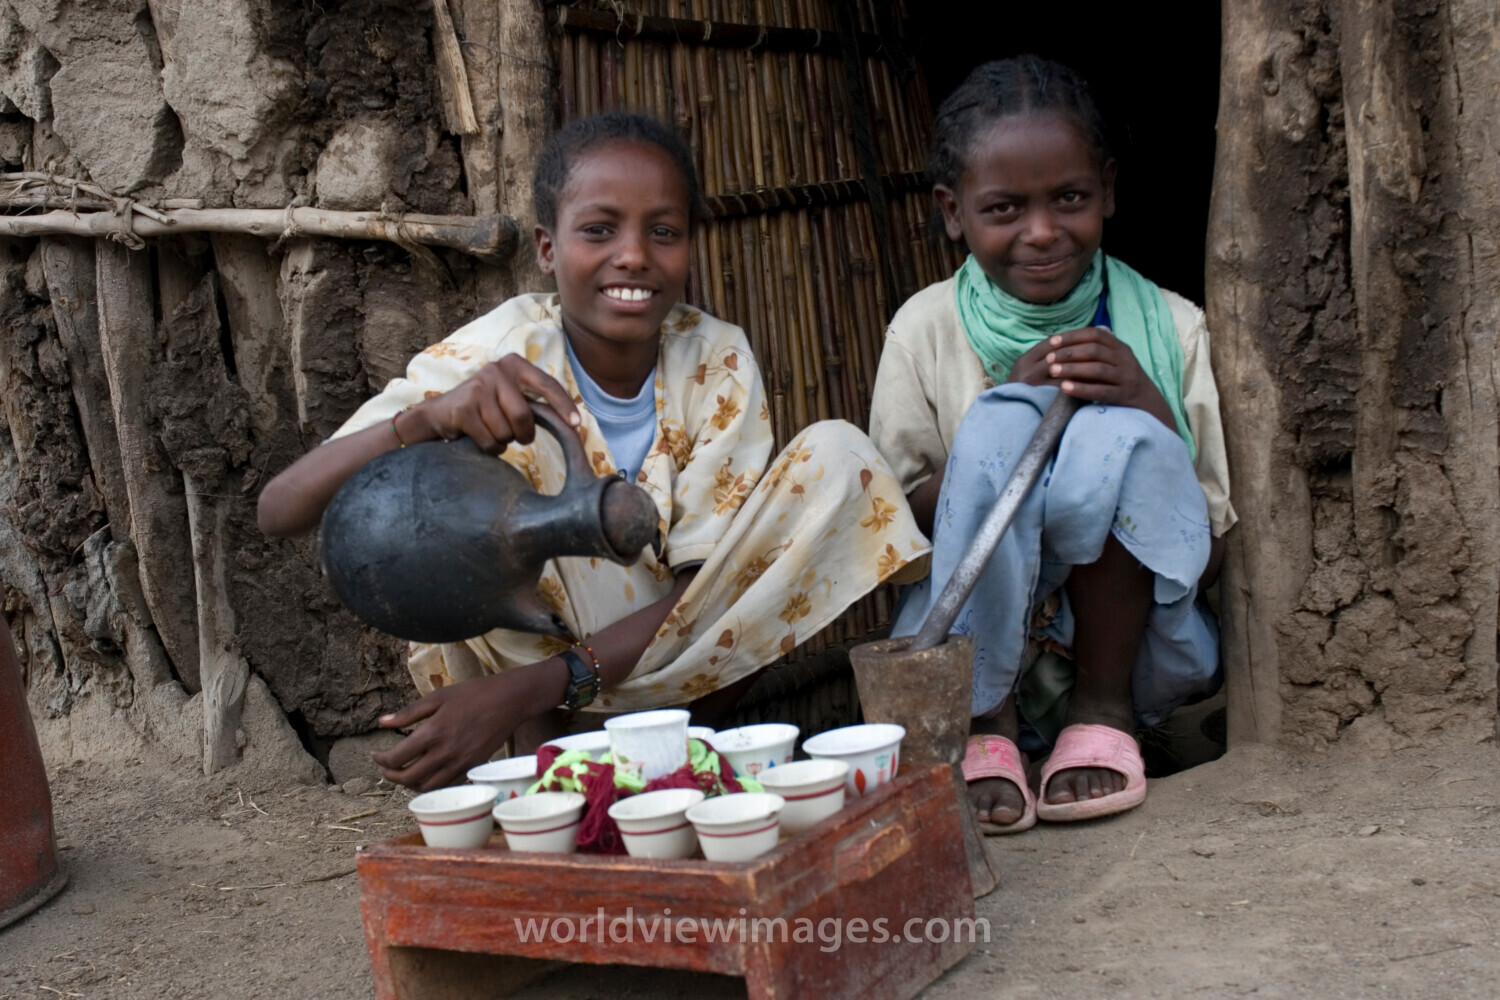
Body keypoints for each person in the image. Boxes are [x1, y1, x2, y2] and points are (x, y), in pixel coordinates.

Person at [258, 111, 928, 792]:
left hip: (657, 676)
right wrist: (431, 418)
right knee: (495, 466)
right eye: (600, 230)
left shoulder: (714, 357)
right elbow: (279, 509)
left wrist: (535, 686)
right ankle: (552, 772)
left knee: (840, 458)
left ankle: (675, 766)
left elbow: (713, 592)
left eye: (662, 232)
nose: (634, 254)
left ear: (690, 247)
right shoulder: (499, 355)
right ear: (548, 249)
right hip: (530, 696)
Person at [869, 57, 1235, 832]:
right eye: (1004, 208)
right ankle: (986, 723)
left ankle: (1103, 712)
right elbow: (889, 543)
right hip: (960, 652)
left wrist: (1145, 405)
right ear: (952, 211)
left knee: (1118, 429)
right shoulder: (924, 331)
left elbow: (1212, 550)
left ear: (1108, 189)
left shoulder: (1172, 327)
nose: (1041, 232)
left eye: (1068, 198)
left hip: (1139, 652)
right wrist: (1008, 426)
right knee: (1002, 423)